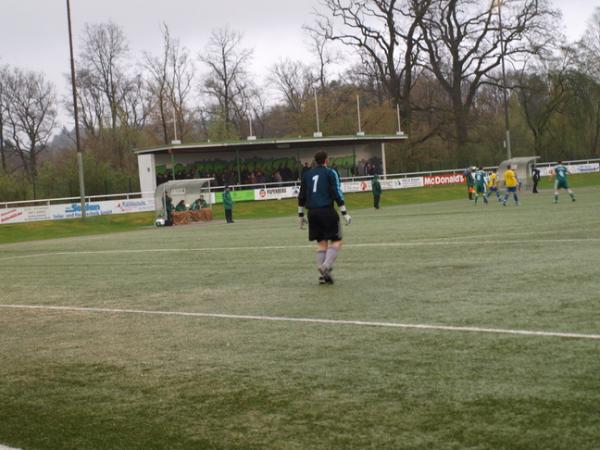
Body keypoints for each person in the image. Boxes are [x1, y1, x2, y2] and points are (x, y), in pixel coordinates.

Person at [298, 150, 351, 285]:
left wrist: (300, 215)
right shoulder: (330, 172)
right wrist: (344, 212)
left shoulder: (307, 174)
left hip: (312, 213)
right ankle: (325, 266)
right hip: (326, 211)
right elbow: (336, 192)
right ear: (326, 160)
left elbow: (301, 195)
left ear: (315, 161)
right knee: (337, 241)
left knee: (321, 243)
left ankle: (322, 276)